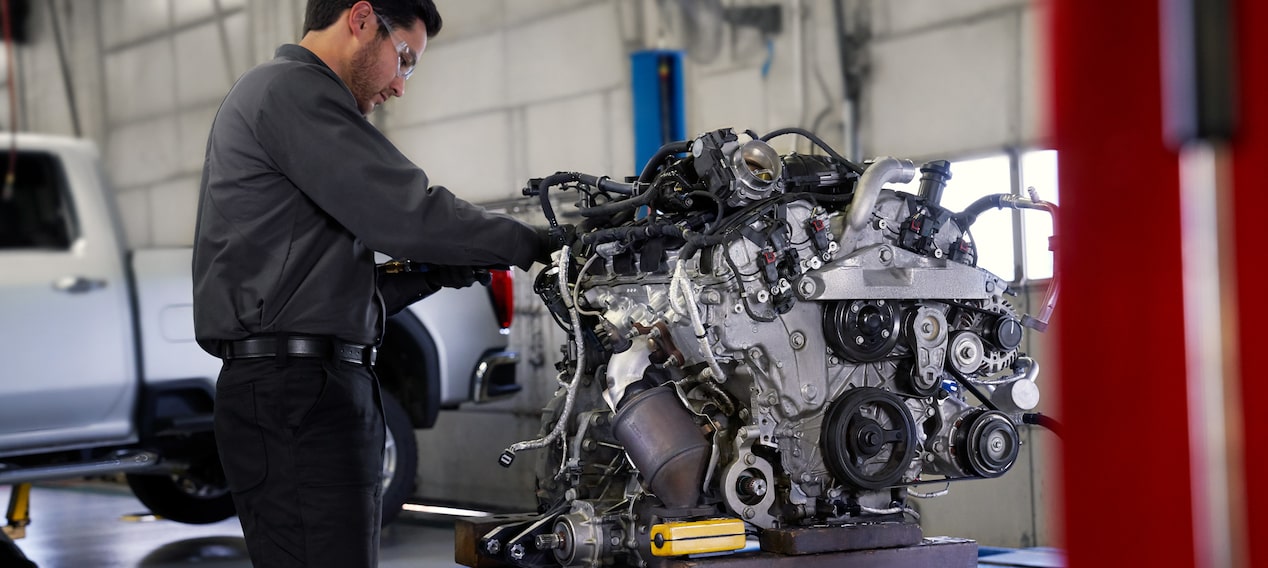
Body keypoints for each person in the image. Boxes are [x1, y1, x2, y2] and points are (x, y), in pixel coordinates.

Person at [190, 1, 556, 566]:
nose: (400, 86)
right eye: (404, 59)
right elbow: (409, 215)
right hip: (296, 395)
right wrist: (536, 243)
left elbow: (323, 293)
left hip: (308, 386)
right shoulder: (292, 91)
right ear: (361, 19)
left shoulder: (288, 99)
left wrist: (431, 275)